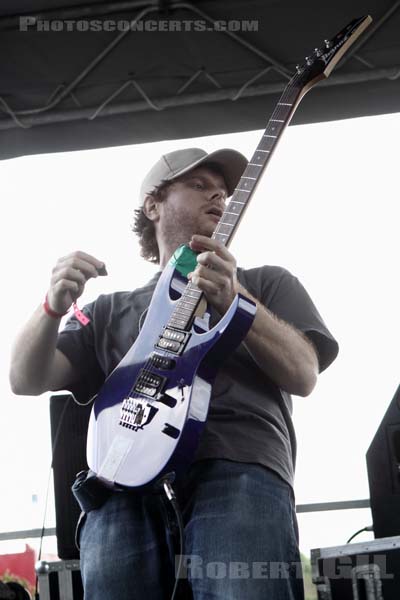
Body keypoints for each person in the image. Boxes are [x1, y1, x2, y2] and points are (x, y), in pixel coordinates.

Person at [10, 147, 338, 600]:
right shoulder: (108, 310)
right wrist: (50, 306)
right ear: (153, 205)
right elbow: (25, 378)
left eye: (223, 192)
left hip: (237, 468)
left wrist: (233, 296)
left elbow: (304, 373)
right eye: (200, 186)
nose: (218, 199)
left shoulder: (267, 282)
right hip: (120, 483)